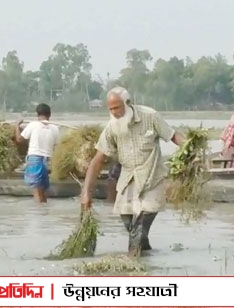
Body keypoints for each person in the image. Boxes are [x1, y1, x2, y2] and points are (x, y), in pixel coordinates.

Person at [80, 86, 186, 257]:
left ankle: (131, 267)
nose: (114, 112)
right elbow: (97, 161)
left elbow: (173, 136)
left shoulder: (150, 116)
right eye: (111, 109)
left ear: (127, 103)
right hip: (128, 181)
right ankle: (147, 260)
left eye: (117, 107)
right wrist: (86, 192)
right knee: (132, 228)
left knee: (138, 228)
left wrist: (190, 149)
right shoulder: (112, 128)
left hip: (152, 179)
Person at [15, 103, 60, 203]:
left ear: (37, 114)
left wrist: (17, 126)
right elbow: (57, 146)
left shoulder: (33, 125)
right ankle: (44, 214)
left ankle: (38, 216)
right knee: (43, 193)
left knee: (37, 193)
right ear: (50, 115)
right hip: (48, 162)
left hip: (35, 160)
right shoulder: (55, 128)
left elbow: (19, 139)